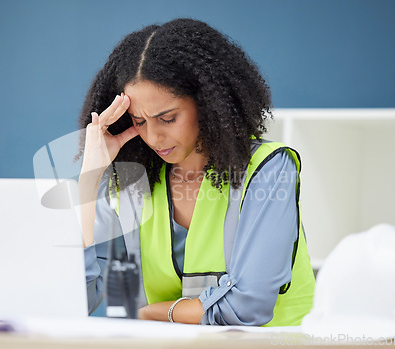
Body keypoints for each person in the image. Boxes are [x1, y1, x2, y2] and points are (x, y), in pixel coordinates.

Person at [77, 18, 315, 326]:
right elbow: (78, 299)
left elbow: (247, 308)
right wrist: (89, 178)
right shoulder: (133, 184)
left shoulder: (269, 169)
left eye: (168, 118)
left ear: (207, 103)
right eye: (139, 121)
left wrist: (153, 311)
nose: (153, 137)